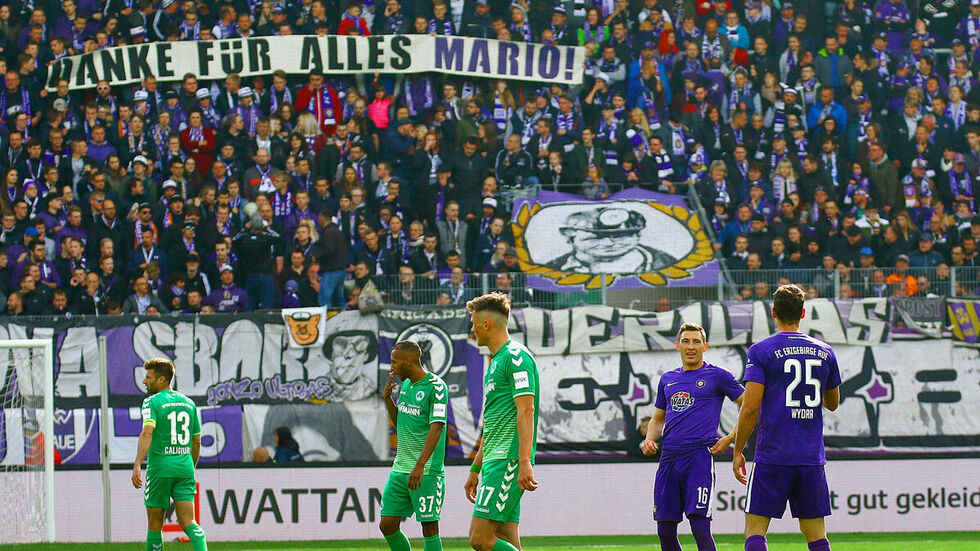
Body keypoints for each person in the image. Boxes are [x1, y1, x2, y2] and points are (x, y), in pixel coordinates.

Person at [733, 284, 842, 551]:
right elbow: (833, 404)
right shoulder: (825, 351)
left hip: (773, 454)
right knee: (816, 533)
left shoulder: (760, 351)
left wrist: (738, 449)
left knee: (755, 529)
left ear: (774, 312)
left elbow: (750, 408)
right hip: (810, 457)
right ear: (803, 313)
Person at [641, 322, 745, 551]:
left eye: (696, 341)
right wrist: (649, 439)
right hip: (668, 459)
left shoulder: (718, 376)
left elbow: (749, 405)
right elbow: (658, 419)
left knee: (699, 525)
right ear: (677, 345)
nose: (691, 346)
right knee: (665, 530)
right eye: (686, 341)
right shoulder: (668, 379)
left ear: (705, 346)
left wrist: (730, 438)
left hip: (698, 458)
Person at [465, 292, 539, 551]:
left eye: (473, 323)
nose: (471, 328)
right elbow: (494, 423)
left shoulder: (516, 357)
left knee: (479, 538)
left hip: (508, 461)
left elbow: (526, 410)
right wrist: (476, 467)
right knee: (505, 538)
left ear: (486, 324)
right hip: (494, 460)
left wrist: (524, 462)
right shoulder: (496, 361)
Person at [131, 357, 208, 551]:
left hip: (160, 469)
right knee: (189, 522)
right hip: (185, 467)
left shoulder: (151, 402)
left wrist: (138, 463)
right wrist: (190, 467)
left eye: (149, 377)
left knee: (155, 523)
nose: (144, 381)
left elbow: (147, 433)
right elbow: (196, 441)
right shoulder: (189, 404)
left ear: (162, 379)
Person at [379, 340, 449, 551]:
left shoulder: (436, 387)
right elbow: (400, 422)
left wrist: (420, 465)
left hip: (425, 471)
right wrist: (388, 399)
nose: (392, 367)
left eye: (394, 362)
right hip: (400, 469)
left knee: (429, 526)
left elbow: (436, 429)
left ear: (408, 362)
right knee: (387, 524)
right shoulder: (407, 385)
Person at [550, 207, 678, 273]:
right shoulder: (554, 267)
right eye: (595, 238)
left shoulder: (666, 262)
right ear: (570, 239)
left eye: (620, 236)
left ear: (638, 235)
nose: (608, 243)